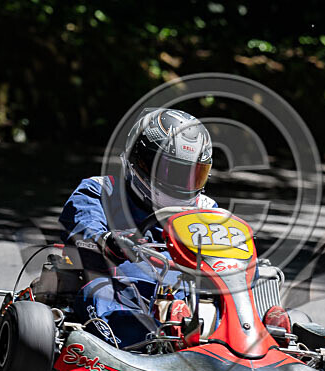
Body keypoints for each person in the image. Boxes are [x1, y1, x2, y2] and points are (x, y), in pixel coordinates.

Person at [59, 108, 216, 347]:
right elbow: (82, 230)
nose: (181, 184)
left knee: (233, 299)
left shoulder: (207, 209)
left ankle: (249, 343)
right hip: (120, 289)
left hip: (187, 298)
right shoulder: (101, 191)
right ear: (140, 161)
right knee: (101, 292)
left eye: (192, 175)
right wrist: (108, 242)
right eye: (172, 171)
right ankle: (142, 345)